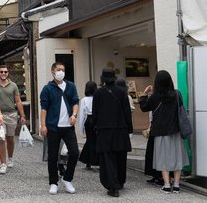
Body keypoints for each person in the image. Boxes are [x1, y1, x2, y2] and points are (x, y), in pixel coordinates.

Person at [139, 70, 189, 194]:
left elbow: (144, 108)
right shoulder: (177, 94)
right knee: (177, 158)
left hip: (160, 133)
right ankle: (176, 185)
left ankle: (167, 185)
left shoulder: (155, 97)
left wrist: (145, 94)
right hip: (175, 132)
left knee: (163, 159)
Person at [40, 61, 79, 195]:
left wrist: (74, 115)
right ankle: (53, 182)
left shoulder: (71, 86)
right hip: (53, 127)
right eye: (58, 69)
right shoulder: (47, 88)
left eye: (62, 69)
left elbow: (75, 102)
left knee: (74, 153)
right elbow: (44, 108)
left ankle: (67, 178)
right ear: (52, 72)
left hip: (68, 127)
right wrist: (43, 125)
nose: (60, 72)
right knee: (52, 156)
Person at [92, 68, 133, 197]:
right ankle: (120, 181)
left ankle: (112, 186)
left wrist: (95, 127)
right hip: (120, 129)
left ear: (103, 79)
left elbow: (95, 113)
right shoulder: (122, 92)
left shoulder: (98, 93)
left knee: (107, 158)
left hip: (104, 130)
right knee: (120, 157)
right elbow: (127, 112)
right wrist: (129, 128)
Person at [0, 65, 26, 174]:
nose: (3, 73)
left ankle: (10, 157)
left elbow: (18, 101)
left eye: (5, 72)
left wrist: (22, 115)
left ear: (8, 73)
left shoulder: (13, 86)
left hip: (11, 114)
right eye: (1, 71)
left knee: (10, 138)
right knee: (0, 138)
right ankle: (3, 163)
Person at [78, 81, 98, 169]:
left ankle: (88, 161)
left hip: (89, 120)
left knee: (89, 140)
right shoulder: (98, 98)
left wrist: (81, 128)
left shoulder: (84, 100)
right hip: (98, 120)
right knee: (98, 140)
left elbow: (82, 114)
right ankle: (97, 161)